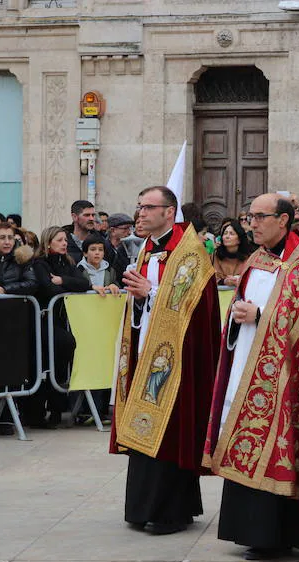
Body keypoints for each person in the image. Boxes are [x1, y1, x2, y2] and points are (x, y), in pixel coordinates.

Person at [204, 193, 299, 560]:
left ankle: (278, 534)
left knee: (281, 443)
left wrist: (260, 317)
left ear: (284, 220)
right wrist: (240, 317)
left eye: (260, 216)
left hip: (285, 377)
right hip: (246, 364)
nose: (252, 223)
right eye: (250, 216)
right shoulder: (256, 260)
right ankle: (250, 531)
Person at [109, 185, 220, 536]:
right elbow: (144, 300)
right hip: (147, 349)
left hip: (177, 357)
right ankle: (145, 507)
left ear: (169, 212)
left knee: (172, 430)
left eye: (148, 207)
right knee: (145, 426)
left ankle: (170, 511)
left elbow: (193, 308)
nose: (140, 213)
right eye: (139, 206)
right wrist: (140, 299)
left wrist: (150, 293)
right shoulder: (146, 249)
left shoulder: (189, 252)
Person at [30, 226, 91, 428]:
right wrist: (65, 286)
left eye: (65, 240)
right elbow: (49, 288)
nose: (65, 243)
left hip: (60, 320)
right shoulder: (40, 263)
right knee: (43, 363)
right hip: (41, 320)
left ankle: (56, 411)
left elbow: (83, 284)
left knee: (58, 364)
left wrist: (63, 280)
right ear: (48, 243)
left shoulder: (67, 262)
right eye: (60, 240)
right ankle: (37, 413)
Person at [0, 222, 38, 297]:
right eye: (2, 238)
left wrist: (5, 289)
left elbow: (32, 283)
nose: (7, 242)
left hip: (15, 305)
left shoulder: (23, 258)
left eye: (10, 238)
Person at [212, 218, 252, 287]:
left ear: (239, 239)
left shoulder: (248, 257)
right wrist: (224, 281)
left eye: (231, 234)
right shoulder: (215, 255)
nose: (227, 236)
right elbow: (210, 278)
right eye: (225, 233)